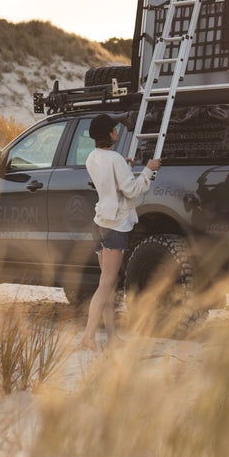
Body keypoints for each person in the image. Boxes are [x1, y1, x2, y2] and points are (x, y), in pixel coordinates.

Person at [79, 112, 161, 350]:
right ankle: (88, 336)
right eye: (114, 129)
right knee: (106, 284)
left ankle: (111, 336)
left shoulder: (92, 158)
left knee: (108, 283)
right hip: (115, 225)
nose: (117, 131)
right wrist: (148, 170)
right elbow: (132, 191)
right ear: (110, 134)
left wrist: (125, 167)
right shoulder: (115, 159)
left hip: (101, 222)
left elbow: (109, 181)